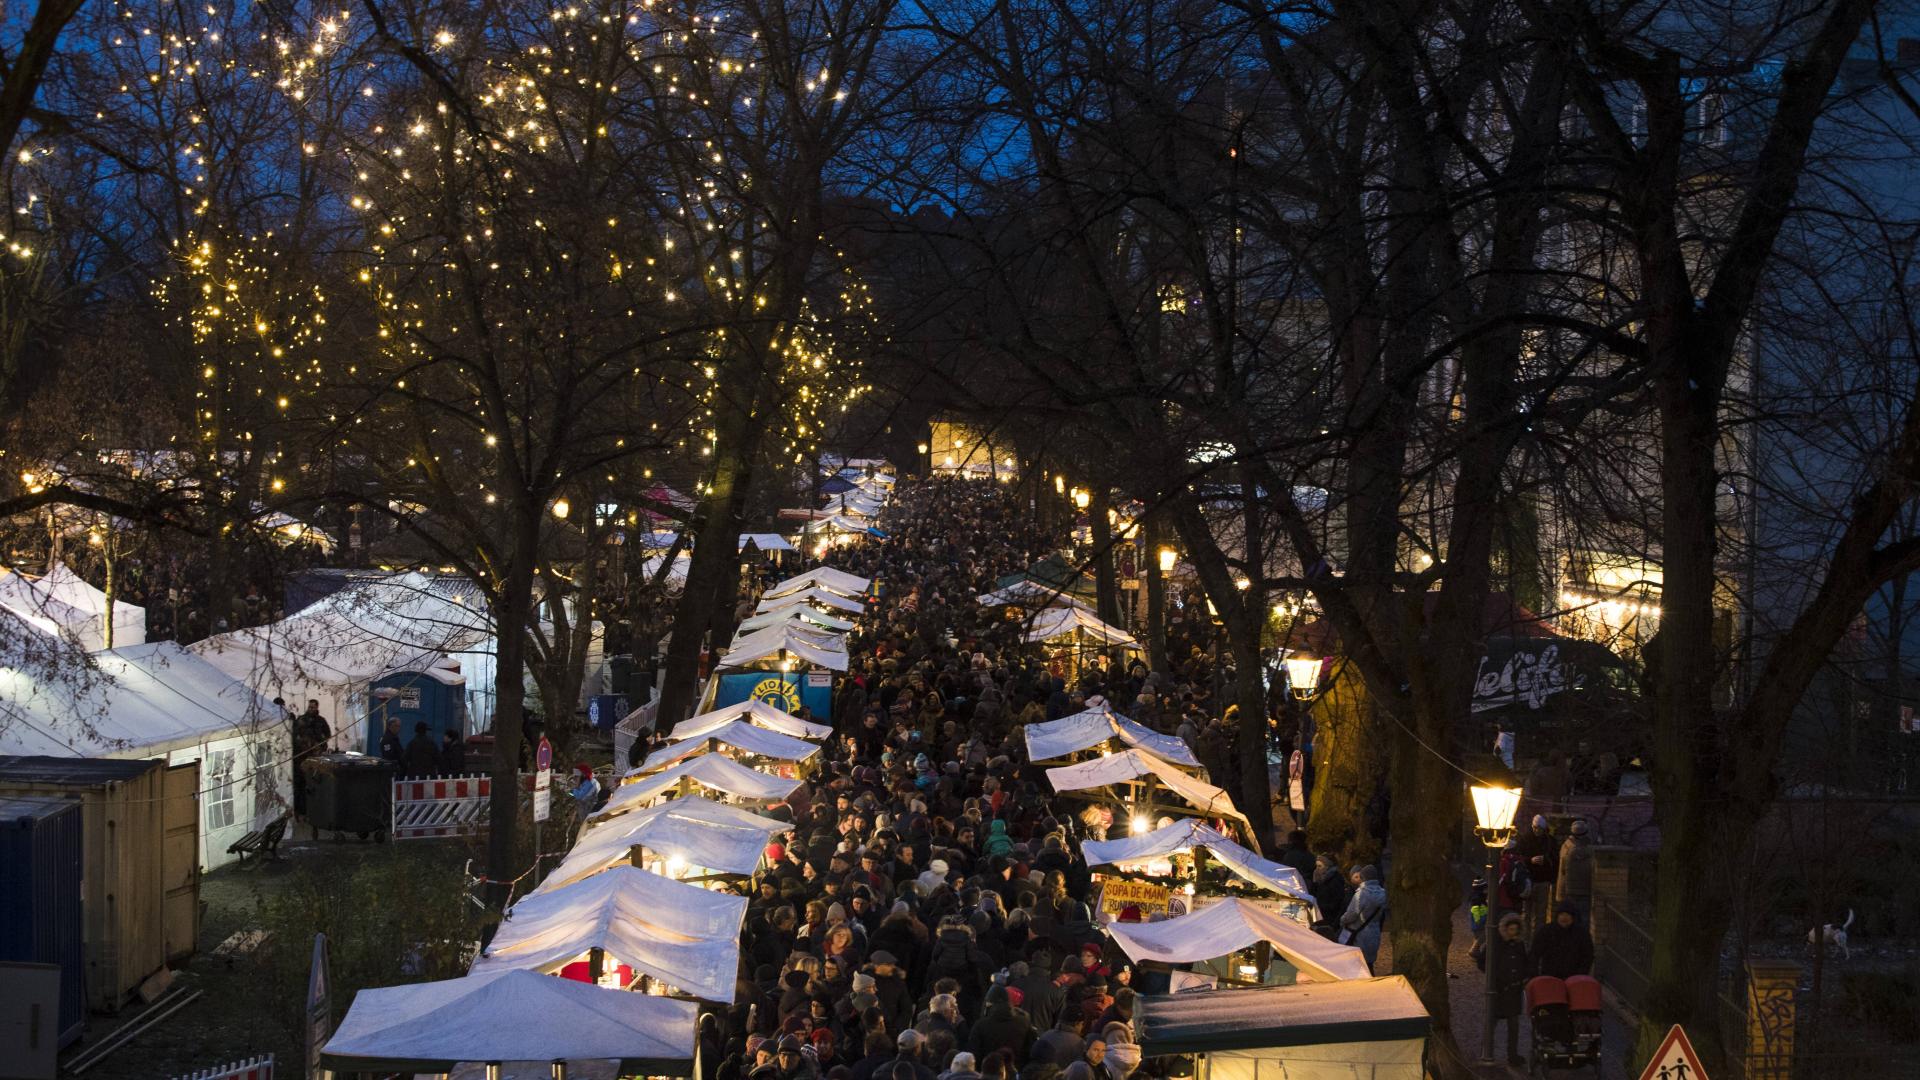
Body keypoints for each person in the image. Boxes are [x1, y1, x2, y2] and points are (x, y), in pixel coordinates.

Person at [1471, 912, 1531, 1066]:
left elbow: (1524, 962)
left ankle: (1512, 1055)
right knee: (1492, 1023)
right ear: (1505, 929)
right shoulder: (1495, 944)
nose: (1513, 933)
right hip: (1498, 990)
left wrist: (1523, 977)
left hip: (1513, 991)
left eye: (1515, 930)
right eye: (1510, 930)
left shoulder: (1519, 945)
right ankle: (1486, 1052)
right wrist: (1494, 977)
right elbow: (1482, 962)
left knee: (1514, 1025)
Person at [1338, 865, 1387, 970]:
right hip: (1374, 932)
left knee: (1357, 965)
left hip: (1358, 934)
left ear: (1363, 877)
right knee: (1369, 965)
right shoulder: (1383, 893)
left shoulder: (1361, 894)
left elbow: (1351, 914)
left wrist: (1342, 920)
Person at [1531, 902, 1595, 979]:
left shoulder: (1581, 933)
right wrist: (1534, 974)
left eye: (1567, 915)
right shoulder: (1547, 931)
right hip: (1550, 977)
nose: (1564, 918)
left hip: (1573, 978)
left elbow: (1588, 955)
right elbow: (1535, 952)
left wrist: (1581, 974)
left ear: (1573, 917)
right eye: (1562, 914)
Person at [1555, 820, 1595, 921]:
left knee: (1571, 918)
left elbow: (1562, 870)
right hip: (1586, 890)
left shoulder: (1566, 847)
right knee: (1584, 919)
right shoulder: (1591, 849)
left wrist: (1560, 893)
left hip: (1569, 890)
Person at [1309, 854, 1348, 931]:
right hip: (1319, 917)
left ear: (1327, 866)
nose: (1317, 869)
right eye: (1316, 866)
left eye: (1320, 866)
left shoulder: (1335, 880)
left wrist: (1320, 907)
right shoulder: (1320, 879)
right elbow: (1313, 895)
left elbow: (1337, 903)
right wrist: (1314, 882)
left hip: (1329, 920)